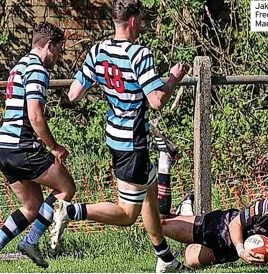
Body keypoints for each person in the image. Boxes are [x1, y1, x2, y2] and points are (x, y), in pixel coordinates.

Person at [64, 0, 190, 272]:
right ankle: (71, 211)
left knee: (149, 194)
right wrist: (174, 78)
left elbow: (73, 94)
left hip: (114, 136)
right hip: (133, 141)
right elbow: (156, 100)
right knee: (126, 214)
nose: (142, 25)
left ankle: (165, 258)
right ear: (133, 21)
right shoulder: (140, 54)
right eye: (141, 20)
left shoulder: (97, 51)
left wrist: (106, 86)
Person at [0, 22, 75, 273]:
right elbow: (36, 116)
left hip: (3, 148)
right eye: (60, 50)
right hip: (21, 148)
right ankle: (31, 242)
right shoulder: (38, 69)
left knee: (31, 206)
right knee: (66, 187)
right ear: (49, 45)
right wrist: (54, 147)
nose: (59, 56)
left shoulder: (19, 65)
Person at [162, 192, 268, 268]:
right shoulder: (267, 208)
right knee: (163, 223)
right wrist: (241, 250)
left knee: (190, 259)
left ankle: (187, 214)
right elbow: (236, 224)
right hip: (225, 226)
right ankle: (184, 212)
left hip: (234, 251)